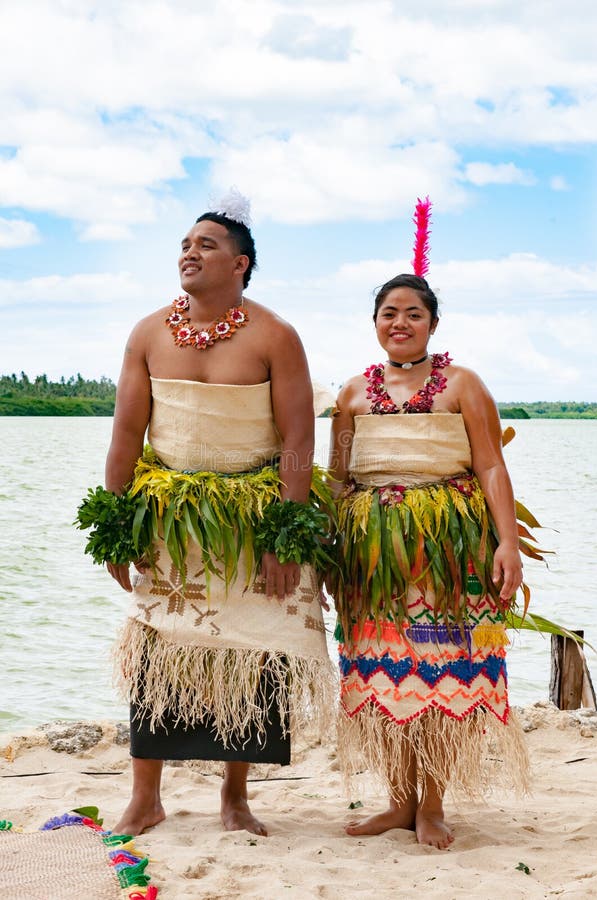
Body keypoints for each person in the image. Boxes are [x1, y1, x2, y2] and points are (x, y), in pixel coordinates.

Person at [97, 190, 334, 837]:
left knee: (252, 658)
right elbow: (125, 437)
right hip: (171, 519)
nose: (190, 253)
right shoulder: (148, 333)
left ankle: (235, 797)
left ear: (241, 265)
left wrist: (285, 536)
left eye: (206, 245)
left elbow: (297, 442)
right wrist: (116, 529)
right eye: (184, 244)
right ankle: (145, 798)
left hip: (253, 518)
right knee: (159, 654)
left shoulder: (275, 336)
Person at [328, 268, 532, 850]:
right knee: (381, 669)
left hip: (447, 551)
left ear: (433, 324)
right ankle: (397, 801)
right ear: (374, 324)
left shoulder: (462, 383)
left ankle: (432, 805)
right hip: (374, 557)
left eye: (413, 313)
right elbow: (338, 479)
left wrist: (507, 542)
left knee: (440, 669)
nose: (400, 323)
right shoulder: (350, 394)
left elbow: (491, 465)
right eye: (389, 313)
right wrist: (329, 553)